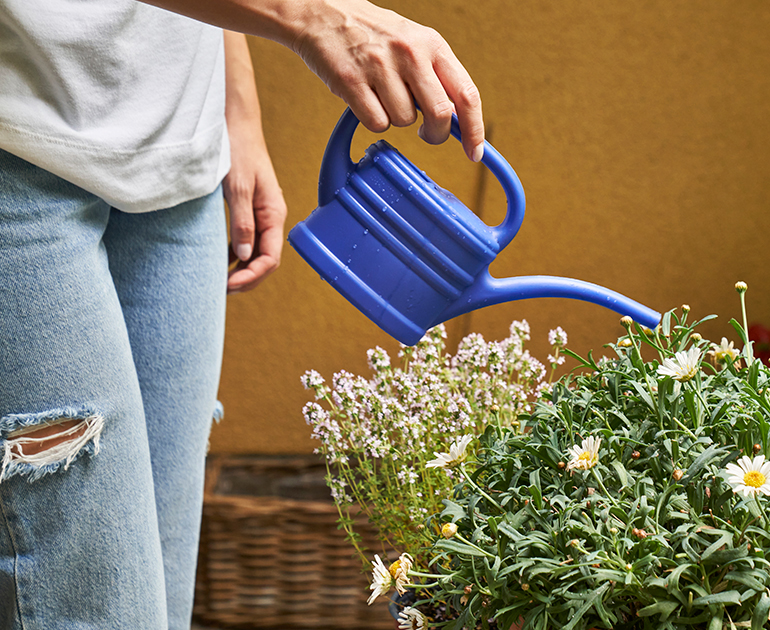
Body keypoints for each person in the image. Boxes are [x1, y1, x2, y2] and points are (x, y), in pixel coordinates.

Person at [0, 0, 483, 627]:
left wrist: (238, 113)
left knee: (163, 610)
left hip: (181, 161)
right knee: (101, 611)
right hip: (20, 155)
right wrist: (319, 17)